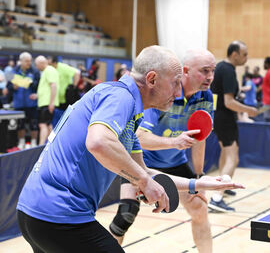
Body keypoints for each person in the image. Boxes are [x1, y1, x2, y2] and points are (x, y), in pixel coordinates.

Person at [16, 45, 243, 253]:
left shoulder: (130, 118)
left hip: (33, 213)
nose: (177, 93)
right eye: (175, 83)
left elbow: (144, 172)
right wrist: (144, 181)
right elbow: (98, 142)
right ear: (152, 79)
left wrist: (200, 183)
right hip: (59, 215)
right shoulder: (120, 96)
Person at [109, 49, 216, 252]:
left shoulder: (205, 97)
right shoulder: (163, 92)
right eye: (204, 71)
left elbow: (200, 139)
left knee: (199, 208)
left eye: (213, 70)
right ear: (186, 71)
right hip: (142, 161)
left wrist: (199, 176)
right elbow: (139, 138)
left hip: (175, 162)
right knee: (126, 214)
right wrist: (173, 142)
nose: (210, 77)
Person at [209, 41, 258, 212]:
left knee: (225, 152)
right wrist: (249, 110)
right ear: (234, 54)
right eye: (244, 54)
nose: (246, 57)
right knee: (233, 157)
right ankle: (216, 198)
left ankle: (223, 185)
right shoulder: (228, 70)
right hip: (225, 117)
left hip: (217, 117)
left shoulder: (220, 67)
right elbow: (229, 102)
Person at [6, 52, 40, 149]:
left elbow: (38, 85)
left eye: (30, 61)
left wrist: (30, 83)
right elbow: (8, 86)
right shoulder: (12, 72)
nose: (29, 63)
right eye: (26, 61)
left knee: (34, 124)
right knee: (20, 125)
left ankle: (33, 143)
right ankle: (21, 142)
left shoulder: (35, 71)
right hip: (19, 103)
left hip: (32, 103)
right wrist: (13, 87)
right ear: (21, 61)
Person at [32, 56, 59, 145]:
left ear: (41, 63)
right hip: (45, 102)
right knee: (48, 125)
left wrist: (51, 103)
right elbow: (46, 88)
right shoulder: (46, 71)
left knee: (42, 124)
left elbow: (53, 86)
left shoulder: (49, 70)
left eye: (36, 65)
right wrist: (37, 95)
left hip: (47, 103)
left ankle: (41, 145)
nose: (36, 67)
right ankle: (50, 144)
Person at [48, 56, 80, 127]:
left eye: (50, 64)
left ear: (55, 63)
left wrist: (73, 87)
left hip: (66, 98)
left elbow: (77, 73)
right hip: (57, 99)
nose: (48, 66)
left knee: (66, 121)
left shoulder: (63, 67)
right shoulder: (50, 70)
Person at [262, 57, 270, 122]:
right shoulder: (268, 73)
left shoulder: (269, 73)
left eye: (264, 63)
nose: (263, 65)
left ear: (267, 64)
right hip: (266, 102)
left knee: (267, 124)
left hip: (268, 103)